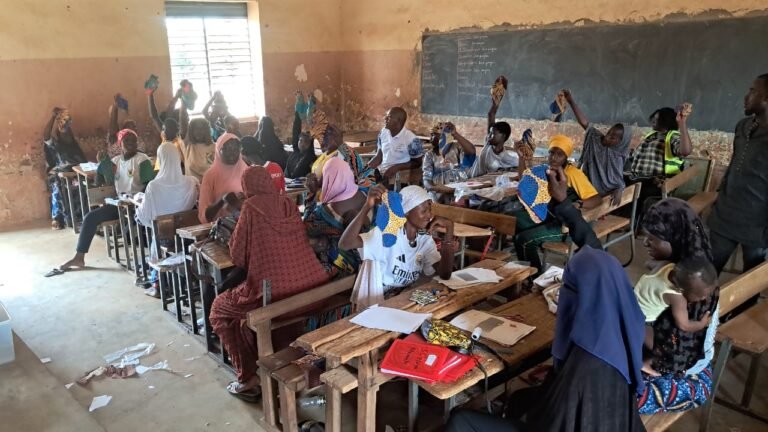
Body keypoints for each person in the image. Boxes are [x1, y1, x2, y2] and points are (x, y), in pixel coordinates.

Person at [446, 248, 646, 432]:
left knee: (460, 419)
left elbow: (555, 422)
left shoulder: (585, 366)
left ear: (583, 297)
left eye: (567, 288)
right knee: (519, 398)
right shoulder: (621, 331)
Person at [210, 166, 331, 400]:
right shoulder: (286, 202)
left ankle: (247, 377)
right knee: (247, 311)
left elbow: (237, 256)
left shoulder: (250, 207)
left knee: (219, 310)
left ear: (247, 187)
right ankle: (263, 357)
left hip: (277, 294)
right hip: (312, 286)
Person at [635, 198, 720, 414]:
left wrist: (641, 363)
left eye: (653, 239)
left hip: (689, 374)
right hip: (665, 355)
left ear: (676, 238)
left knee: (606, 396)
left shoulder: (693, 288)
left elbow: (678, 348)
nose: (646, 244)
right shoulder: (685, 269)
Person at [52, 130, 154, 274]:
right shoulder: (116, 161)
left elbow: (148, 186)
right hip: (120, 204)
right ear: (120, 143)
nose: (131, 143)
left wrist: (134, 201)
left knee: (130, 232)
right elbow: (98, 181)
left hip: (136, 205)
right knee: (90, 218)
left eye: (134, 140)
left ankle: (148, 259)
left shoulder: (142, 160)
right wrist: (102, 163)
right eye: (127, 140)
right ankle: (79, 257)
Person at [339, 185, 456, 298]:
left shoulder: (424, 238)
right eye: (424, 211)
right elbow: (345, 244)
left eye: (430, 210)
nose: (429, 215)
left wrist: (449, 228)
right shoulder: (388, 234)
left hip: (403, 297)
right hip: (379, 300)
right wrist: (367, 206)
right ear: (407, 211)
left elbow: (444, 274)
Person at [511, 135, 602, 274]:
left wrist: (577, 204)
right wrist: (521, 158)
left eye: (560, 154)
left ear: (566, 157)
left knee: (524, 240)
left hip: (566, 225)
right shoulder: (546, 170)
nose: (554, 157)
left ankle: (533, 279)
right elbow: (525, 179)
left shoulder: (573, 174)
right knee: (514, 222)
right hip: (551, 217)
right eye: (552, 152)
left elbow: (596, 199)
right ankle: (527, 270)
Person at [708, 73, 768, 276]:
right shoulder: (743, 126)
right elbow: (734, 165)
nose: (746, 97)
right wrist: (720, 195)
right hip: (725, 216)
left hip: (758, 225)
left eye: (753, 91)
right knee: (705, 274)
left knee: (748, 284)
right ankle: (702, 308)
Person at [635, 257, 716, 375]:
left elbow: (648, 263)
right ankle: (643, 364)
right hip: (641, 321)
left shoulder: (666, 266)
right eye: (701, 296)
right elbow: (684, 325)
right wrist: (701, 324)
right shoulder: (676, 296)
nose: (705, 298)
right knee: (662, 349)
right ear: (681, 289)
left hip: (631, 302)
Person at [562, 89, 632, 204]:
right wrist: (571, 101)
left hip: (603, 196)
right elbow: (584, 123)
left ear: (620, 143)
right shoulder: (596, 139)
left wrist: (619, 190)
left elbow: (618, 182)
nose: (607, 137)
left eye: (613, 137)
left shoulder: (618, 155)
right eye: (609, 132)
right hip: (586, 188)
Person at [624, 106, 692, 222]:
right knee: (614, 182)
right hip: (639, 178)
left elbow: (685, 151)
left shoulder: (672, 136)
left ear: (667, 121)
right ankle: (621, 219)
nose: (654, 121)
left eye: (658, 118)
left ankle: (629, 221)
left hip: (657, 181)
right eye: (654, 118)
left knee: (630, 189)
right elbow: (633, 157)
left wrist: (682, 124)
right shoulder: (650, 136)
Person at [304, 158, 367, 277]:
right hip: (370, 260)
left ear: (328, 178)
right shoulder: (365, 193)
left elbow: (305, 227)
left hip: (348, 267)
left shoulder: (324, 212)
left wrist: (311, 194)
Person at [43, 107, 87, 229]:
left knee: (84, 187)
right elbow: (46, 136)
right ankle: (58, 218)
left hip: (76, 175)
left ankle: (81, 217)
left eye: (69, 134)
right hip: (61, 176)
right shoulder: (56, 146)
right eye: (64, 134)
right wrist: (53, 117)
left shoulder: (75, 147)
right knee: (59, 188)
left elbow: (83, 163)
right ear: (59, 136)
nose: (67, 135)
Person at [462, 92, 519, 178]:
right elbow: (491, 115)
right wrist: (495, 104)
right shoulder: (488, 145)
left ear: (503, 136)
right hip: (469, 178)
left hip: (480, 184)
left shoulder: (506, 157)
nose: (490, 136)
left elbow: (520, 165)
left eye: (493, 134)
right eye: (490, 133)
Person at [198, 133, 249, 223]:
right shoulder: (210, 175)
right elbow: (204, 216)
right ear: (218, 150)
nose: (232, 153)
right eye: (227, 149)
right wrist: (222, 201)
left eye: (235, 149)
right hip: (220, 228)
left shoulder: (247, 171)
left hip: (246, 223)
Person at [422, 121, 476, 202]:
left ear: (445, 136)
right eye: (431, 135)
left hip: (458, 190)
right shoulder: (429, 155)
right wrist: (433, 188)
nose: (431, 139)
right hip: (438, 192)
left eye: (434, 135)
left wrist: (455, 134)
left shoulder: (458, 148)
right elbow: (426, 178)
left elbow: (472, 151)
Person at [366, 107, 424, 182]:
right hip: (381, 174)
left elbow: (418, 163)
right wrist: (364, 170)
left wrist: (397, 167)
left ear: (398, 120)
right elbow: (379, 156)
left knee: (381, 191)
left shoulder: (411, 139)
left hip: (399, 178)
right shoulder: (383, 132)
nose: (385, 118)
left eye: (389, 117)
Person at [179, 117, 215, 182]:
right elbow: (183, 125)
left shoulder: (215, 147)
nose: (199, 131)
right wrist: (183, 107)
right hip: (192, 188)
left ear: (206, 130)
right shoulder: (187, 146)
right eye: (196, 129)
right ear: (191, 131)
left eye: (202, 128)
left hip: (212, 187)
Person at [285, 107, 317, 178]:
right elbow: (295, 133)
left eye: (306, 142)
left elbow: (297, 173)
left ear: (310, 144)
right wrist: (297, 117)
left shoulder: (310, 157)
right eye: (300, 141)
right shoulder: (295, 154)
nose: (302, 144)